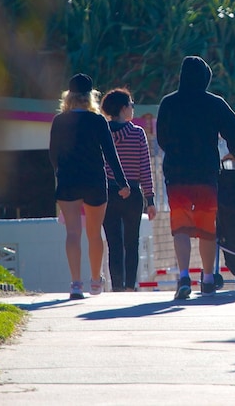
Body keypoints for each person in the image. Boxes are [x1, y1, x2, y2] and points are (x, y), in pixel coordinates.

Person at [157, 56, 235, 299]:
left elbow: (162, 139)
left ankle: (184, 276)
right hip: (206, 174)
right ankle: (207, 279)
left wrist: (176, 152)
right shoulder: (215, 103)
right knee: (207, 228)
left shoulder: (168, 103)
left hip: (177, 175)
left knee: (181, 227)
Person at [49, 73, 130, 300]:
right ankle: (96, 281)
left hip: (68, 182)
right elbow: (111, 155)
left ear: (69, 96)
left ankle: (76, 284)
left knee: (73, 232)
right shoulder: (98, 121)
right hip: (94, 181)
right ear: (90, 97)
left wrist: (60, 173)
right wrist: (123, 183)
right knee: (95, 233)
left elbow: (53, 154)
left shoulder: (59, 121)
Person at [100, 88, 157, 292]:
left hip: (108, 194)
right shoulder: (137, 133)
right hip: (133, 193)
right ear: (124, 108)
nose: (133, 108)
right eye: (131, 104)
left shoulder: (101, 132)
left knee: (114, 244)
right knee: (132, 243)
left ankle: (116, 286)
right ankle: (129, 287)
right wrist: (150, 200)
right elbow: (145, 169)